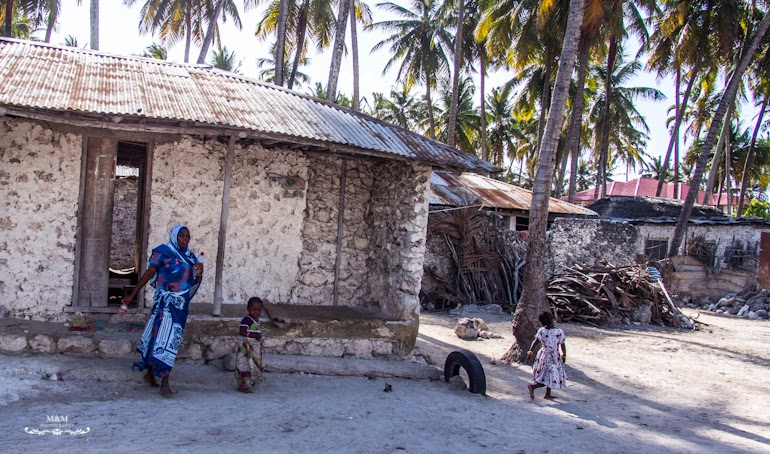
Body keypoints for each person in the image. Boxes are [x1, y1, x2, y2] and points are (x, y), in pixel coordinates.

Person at [121, 224, 204, 397]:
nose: (185, 239)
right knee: (161, 340)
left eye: (187, 236)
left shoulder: (190, 257)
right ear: (174, 236)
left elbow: (192, 283)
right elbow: (148, 274)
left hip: (180, 306)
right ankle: (164, 382)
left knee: (169, 340)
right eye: (182, 236)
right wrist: (132, 295)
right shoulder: (163, 253)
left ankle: (150, 374)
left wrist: (199, 274)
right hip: (163, 305)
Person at [527, 311, 567, 400]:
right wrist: (564, 355)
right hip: (553, 356)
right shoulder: (558, 332)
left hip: (543, 355)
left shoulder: (541, 330)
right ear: (551, 320)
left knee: (549, 374)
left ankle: (548, 394)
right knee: (551, 374)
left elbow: (536, 341)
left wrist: (530, 351)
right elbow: (562, 344)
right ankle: (533, 387)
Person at [235, 297, 265, 393]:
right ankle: (242, 385)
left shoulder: (257, 320)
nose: (256, 312)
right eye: (253, 309)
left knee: (254, 365)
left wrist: (258, 337)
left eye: (259, 310)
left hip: (254, 347)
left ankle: (251, 382)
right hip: (246, 347)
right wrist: (253, 335)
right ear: (248, 309)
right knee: (244, 364)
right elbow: (242, 332)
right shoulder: (246, 320)